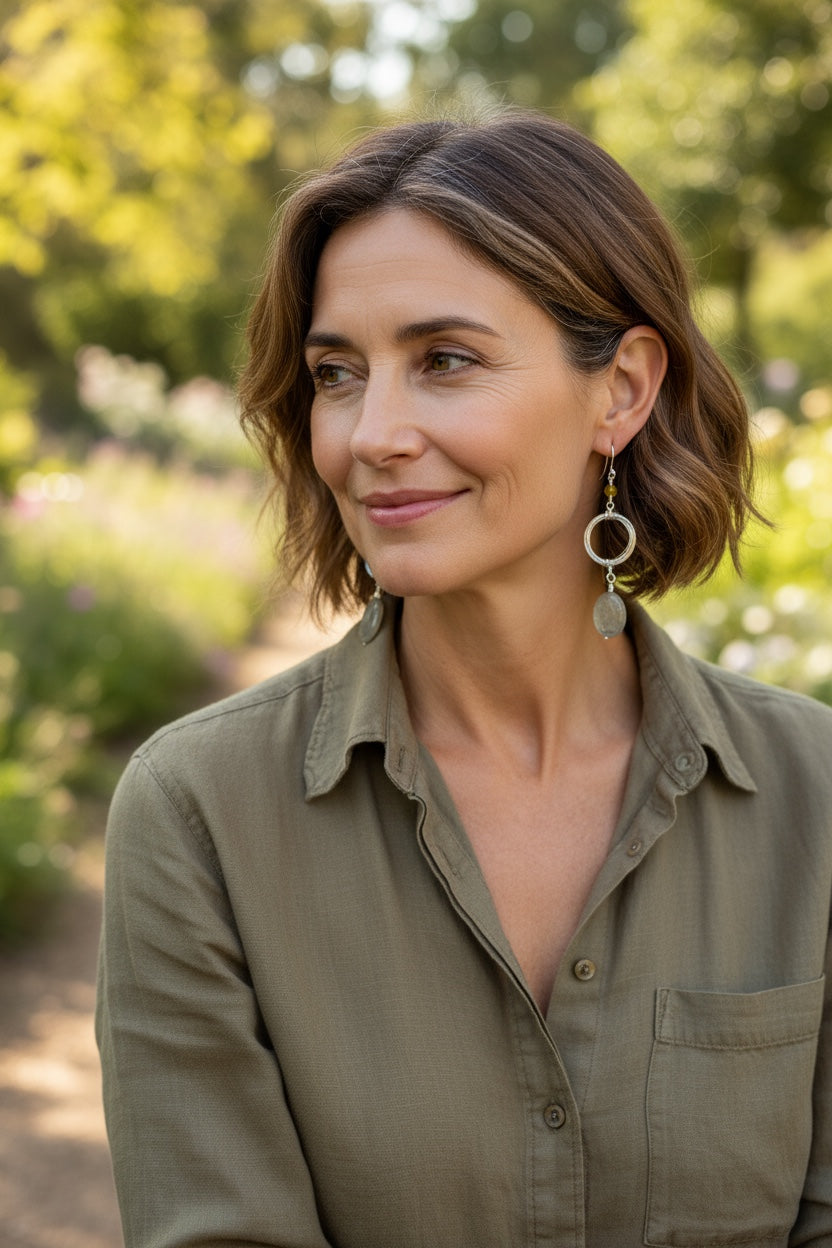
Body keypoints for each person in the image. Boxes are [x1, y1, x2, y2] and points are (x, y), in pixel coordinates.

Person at [96, 109, 832, 1247]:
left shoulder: (815, 799)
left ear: (621, 392)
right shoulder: (200, 815)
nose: (370, 433)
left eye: (444, 360)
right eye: (338, 374)